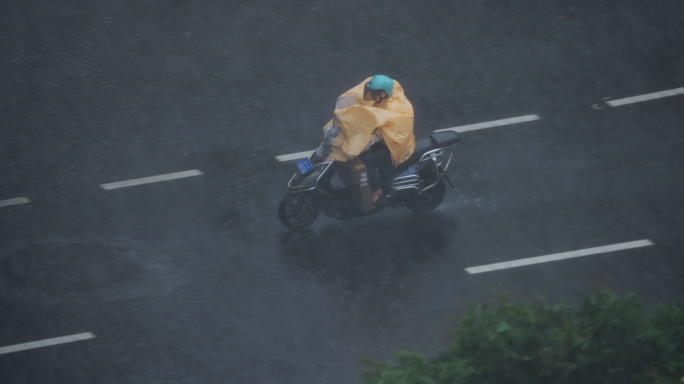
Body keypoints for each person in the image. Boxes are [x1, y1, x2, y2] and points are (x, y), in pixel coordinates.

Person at [313, 75, 415, 202]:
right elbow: (358, 102)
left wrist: (357, 142)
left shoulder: (392, 109)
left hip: (393, 144)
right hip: (382, 135)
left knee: (365, 161)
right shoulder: (382, 95)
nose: (369, 93)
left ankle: (375, 190)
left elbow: (379, 132)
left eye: (373, 92)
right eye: (369, 90)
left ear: (382, 94)